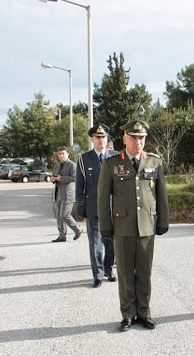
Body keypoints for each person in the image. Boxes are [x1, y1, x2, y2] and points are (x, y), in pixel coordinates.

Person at [97, 119, 169, 332]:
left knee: (145, 272)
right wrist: (105, 224)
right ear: (125, 139)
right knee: (126, 272)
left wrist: (163, 220)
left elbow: (161, 194)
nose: (138, 142)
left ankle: (144, 312)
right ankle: (127, 314)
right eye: (134, 138)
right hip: (123, 226)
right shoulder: (111, 163)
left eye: (142, 138)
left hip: (147, 225)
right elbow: (103, 197)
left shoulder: (154, 162)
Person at [76, 124, 117, 288]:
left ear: (107, 139)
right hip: (93, 207)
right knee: (95, 243)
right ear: (92, 139)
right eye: (98, 137)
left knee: (112, 242)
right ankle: (98, 274)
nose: (101, 140)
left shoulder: (115, 157)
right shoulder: (84, 159)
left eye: (104, 137)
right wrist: (80, 206)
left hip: (113, 207)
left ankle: (109, 269)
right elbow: (80, 185)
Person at [51, 146, 83, 243]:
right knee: (59, 215)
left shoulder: (72, 165)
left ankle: (78, 230)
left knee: (65, 215)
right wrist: (53, 179)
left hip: (68, 194)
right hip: (58, 193)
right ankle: (62, 235)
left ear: (67, 154)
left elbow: (74, 178)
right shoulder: (58, 165)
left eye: (63, 154)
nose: (61, 156)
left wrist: (61, 178)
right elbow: (54, 176)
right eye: (59, 154)